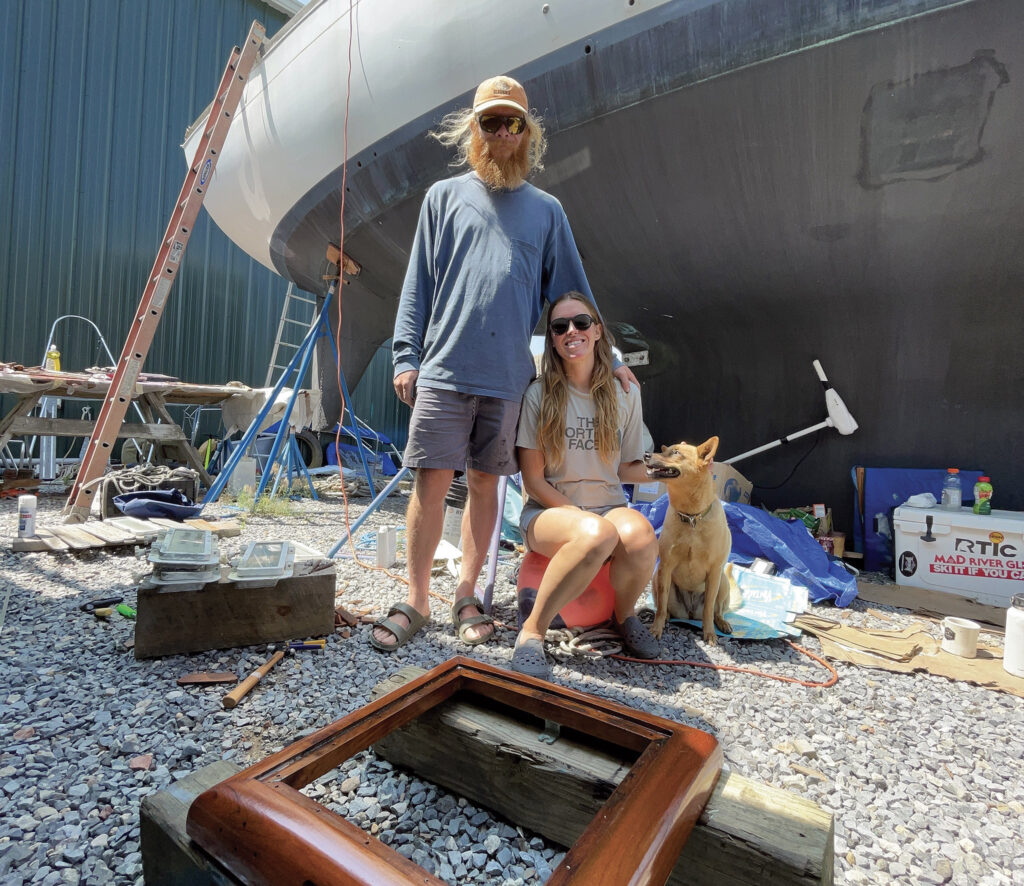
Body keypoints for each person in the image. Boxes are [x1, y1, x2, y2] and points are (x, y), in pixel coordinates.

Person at [371, 75, 637, 652]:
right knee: (431, 483)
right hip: (442, 370)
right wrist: (405, 356)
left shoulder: (546, 212)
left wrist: (609, 357)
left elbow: (572, 292)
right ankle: (417, 599)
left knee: (487, 486)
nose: (502, 133)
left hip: (507, 380)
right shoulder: (442, 198)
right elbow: (416, 286)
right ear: (476, 131)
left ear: (526, 132)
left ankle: (469, 594)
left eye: (512, 122)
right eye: (490, 122)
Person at [512, 292, 660, 680]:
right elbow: (533, 480)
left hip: (608, 506)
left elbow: (626, 468)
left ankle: (624, 615)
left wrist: (665, 472)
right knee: (597, 534)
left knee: (643, 535)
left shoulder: (625, 394)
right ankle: (531, 633)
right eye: (560, 327)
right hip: (548, 512)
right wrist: (580, 518)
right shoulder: (538, 395)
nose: (571, 332)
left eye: (580, 323)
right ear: (553, 340)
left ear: (597, 331)